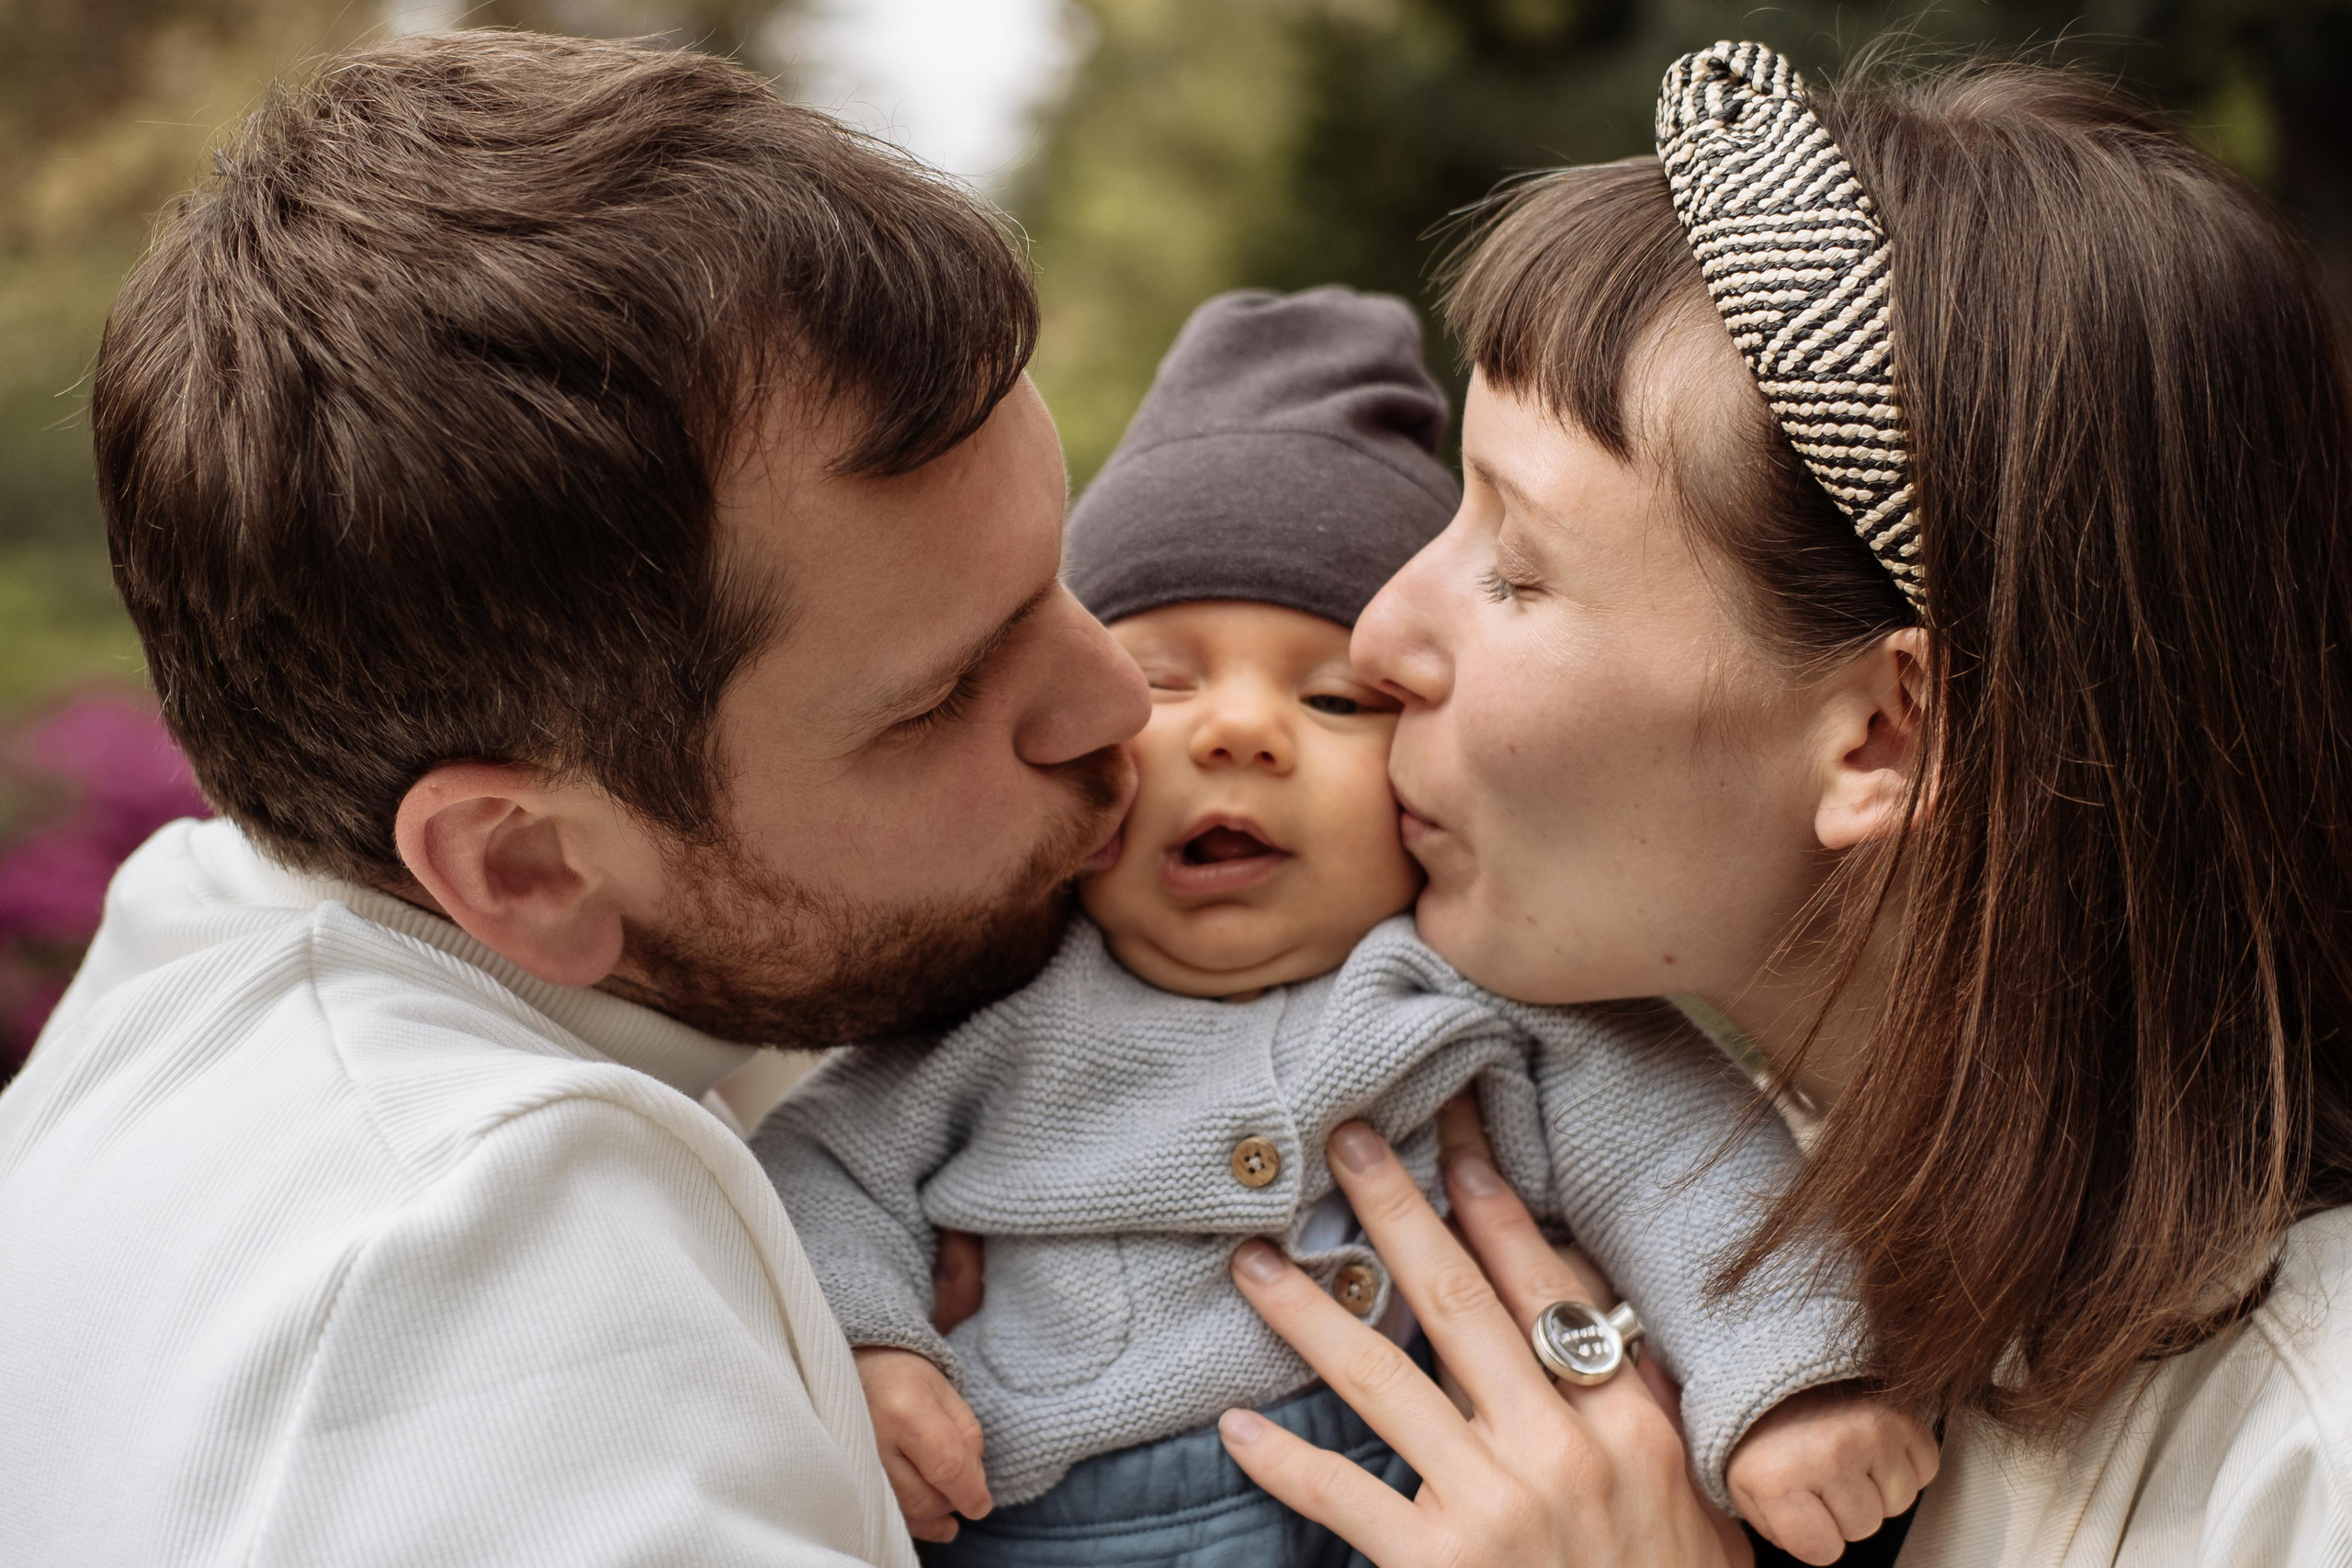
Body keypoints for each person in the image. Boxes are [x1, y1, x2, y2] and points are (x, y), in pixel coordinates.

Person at [0, 31, 1151, 1566]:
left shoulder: (214, 954)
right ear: (526, 867)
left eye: (1055, 576)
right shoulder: (478, 1280)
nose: (1117, 699)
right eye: (942, 694)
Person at [1201, 41, 2352, 1568]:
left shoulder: (2303, 1462)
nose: (1379, 638)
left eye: (1517, 569)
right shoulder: (1641, 1194)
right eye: (1452, 514)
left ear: (1884, 735)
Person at [756, 287, 1933, 1566]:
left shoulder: (1486, 997)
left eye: (1333, 701)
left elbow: (1687, 1168)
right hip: (1055, 1525)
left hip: (1461, 1499)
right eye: (1161, 682)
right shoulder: (997, 1005)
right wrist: (871, 1347)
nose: (1239, 733)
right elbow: (820, 1172)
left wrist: (1788, 1386)